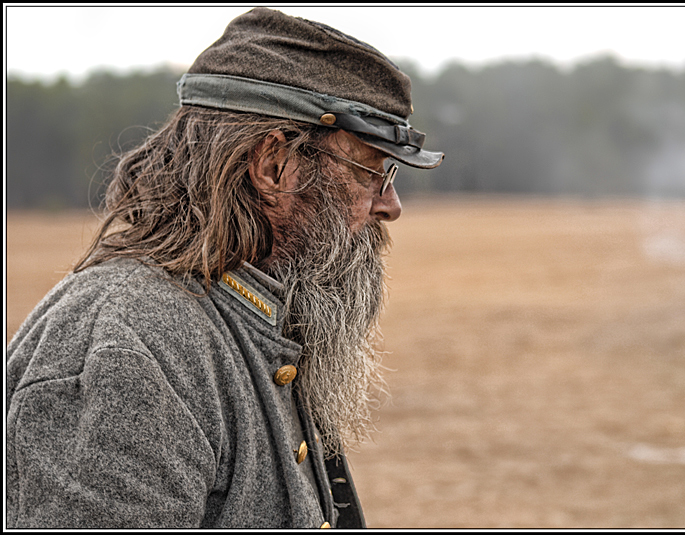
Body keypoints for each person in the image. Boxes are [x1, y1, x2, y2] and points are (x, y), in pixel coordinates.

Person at [6, 8, 443, 529]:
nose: (390, 205)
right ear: (274, 166)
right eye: (373, 170)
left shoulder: (246, 314)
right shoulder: (132, 348)